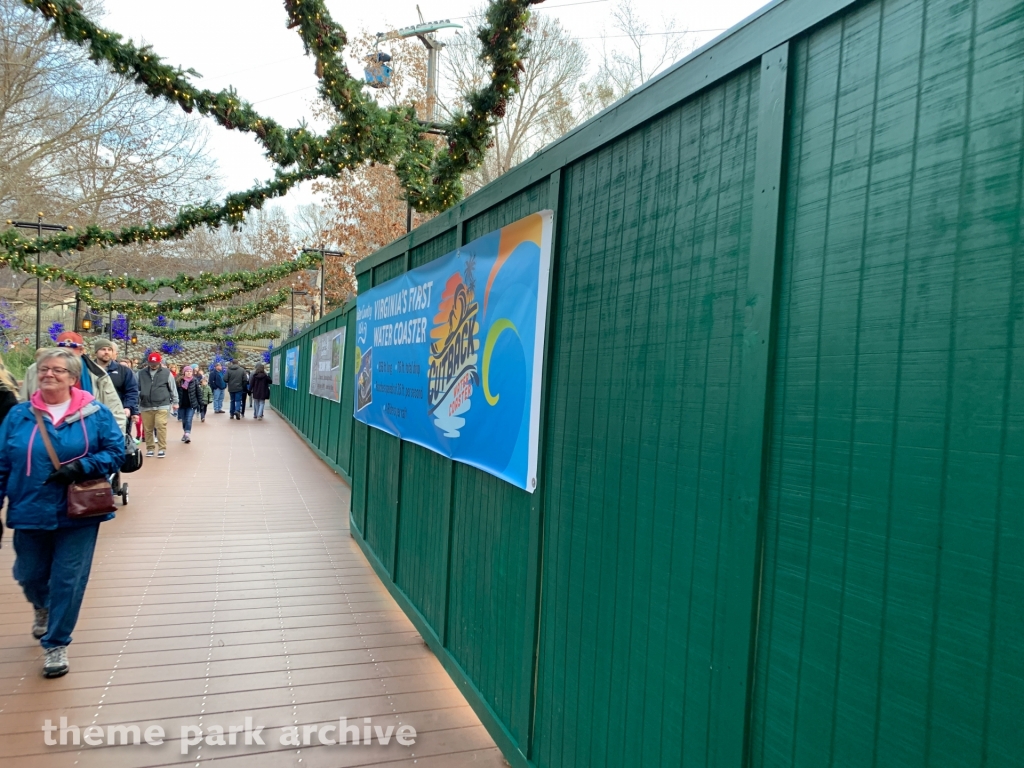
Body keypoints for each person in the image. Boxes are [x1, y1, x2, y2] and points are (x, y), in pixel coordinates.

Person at [0, 347, 123, 678]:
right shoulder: (19, 415)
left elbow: (116, 451)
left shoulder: (94, 413)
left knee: (69, 578)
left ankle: (56, 643)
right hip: (29, 506)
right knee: (29, 573)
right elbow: (2, 462)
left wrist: (81, 467)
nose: (48, 374)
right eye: (44, 369)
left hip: (78, 512)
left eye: (57, 370)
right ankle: (41, 606)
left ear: (72, 377)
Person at [21, 332, 126, 432]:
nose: (66, 358)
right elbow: (24, 407)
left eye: (71, 353)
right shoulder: (34, 371)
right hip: (43, 434)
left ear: (81, 351)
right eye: (62, 353)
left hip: (88, 437)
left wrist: (113, 445)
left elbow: (116, 413)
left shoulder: (98, 375)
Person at [137, 352, 177, 458]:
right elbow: (135, 388)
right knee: (148, 428)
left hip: (162, 404)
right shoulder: (140, 373)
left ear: (160, 362)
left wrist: (176, 402)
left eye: (156, 363)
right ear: (148, 362)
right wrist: (138, 398)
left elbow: (173, 388)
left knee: (160, 425)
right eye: (151, 363)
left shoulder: (166, 373)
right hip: (146, 405)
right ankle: (150, 448)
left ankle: (162, 448)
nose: (154, 365)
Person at [175, 366, 201, 443]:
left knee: (189, 419)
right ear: (184, 372)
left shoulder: (195, 381)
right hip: (182, 404)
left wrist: (201, 403)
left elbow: (198, 392)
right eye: (187, 371)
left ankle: (187, 434)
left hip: (191, 404)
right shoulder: (179, 381)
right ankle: (185, 432)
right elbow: (175, 392)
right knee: (184, 420)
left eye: (190, 371)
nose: (189, 372)